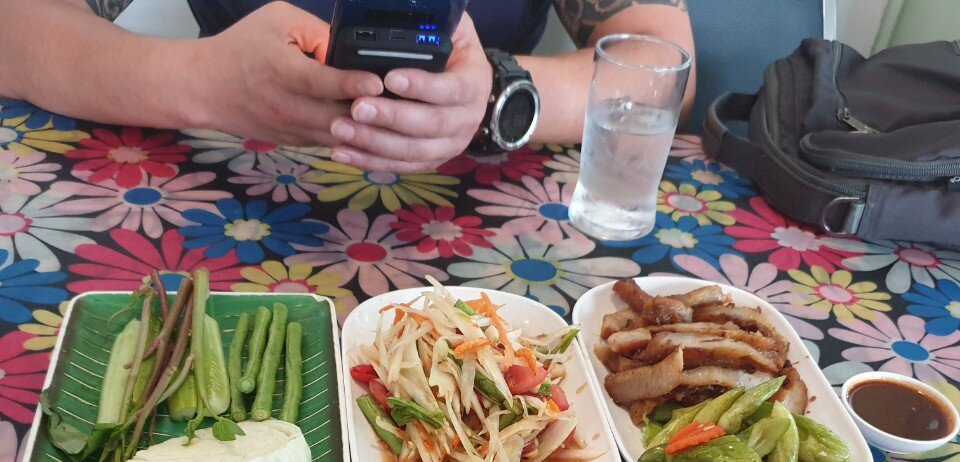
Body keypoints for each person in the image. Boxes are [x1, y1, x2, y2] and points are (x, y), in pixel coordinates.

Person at [0, 0, 694, 172]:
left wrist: (496, 99)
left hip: (492, 222)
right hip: (202, 188)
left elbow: (661, 63)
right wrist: (202, 80)